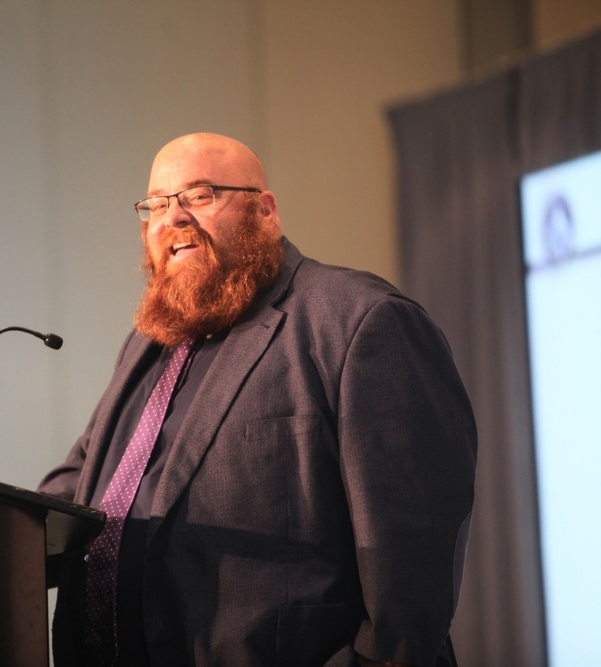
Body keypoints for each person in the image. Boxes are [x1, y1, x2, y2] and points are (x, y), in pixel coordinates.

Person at [38, 133, 477, 667]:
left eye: (200, 196)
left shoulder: (360, 320)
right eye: (156, 204)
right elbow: (82, 489)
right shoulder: (148, 343)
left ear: (264, 211)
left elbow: (411, 573)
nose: (172, 218)